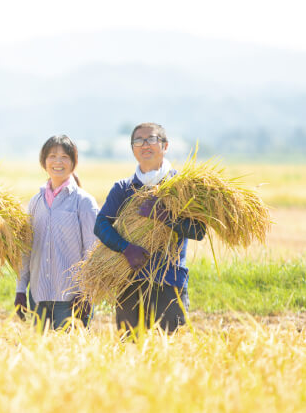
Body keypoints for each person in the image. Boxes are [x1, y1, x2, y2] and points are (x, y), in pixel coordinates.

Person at [94, 122, 206, 333]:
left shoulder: (181, 187)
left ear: (165, 145)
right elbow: (101, 225)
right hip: (129, 280)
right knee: (130, 349)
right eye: (138, 141)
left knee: (168, 351)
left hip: (169, 281)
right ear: (132, 148)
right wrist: (125, 248)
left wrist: (164, 217)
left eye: (151, 139)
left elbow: (198, 231)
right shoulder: (124, 188)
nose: (144, 145)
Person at [14, 135, 99, 329]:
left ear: (73, 162)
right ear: (44, 161)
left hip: (71, 299)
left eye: (64, 157)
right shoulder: (36, 202)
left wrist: (85, 293)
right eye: (52, 156)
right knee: (40, 357)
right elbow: (26, 249)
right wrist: (20, 289)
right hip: (38, 296)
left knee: (70, 356)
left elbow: (92, 252)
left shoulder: (84, 202)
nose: (58, 162)